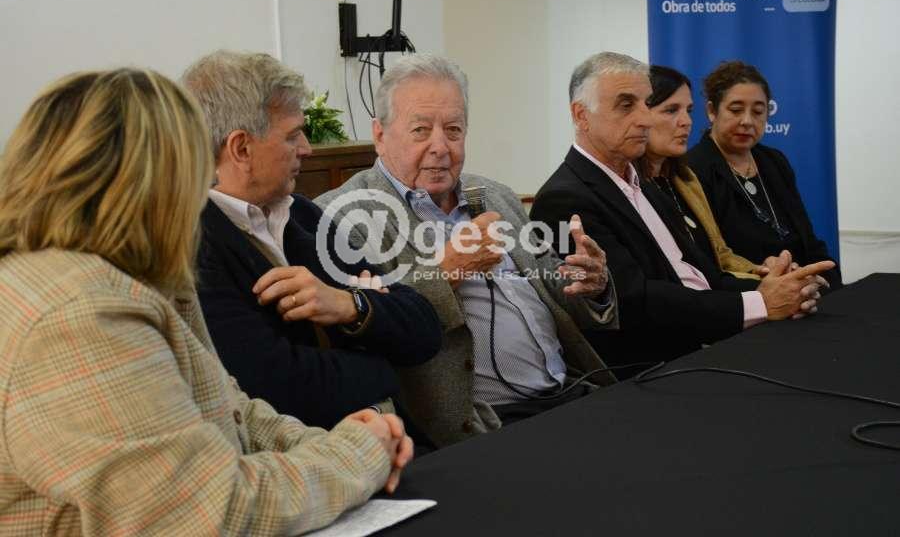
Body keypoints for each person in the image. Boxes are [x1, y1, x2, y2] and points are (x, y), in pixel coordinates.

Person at [0, 68, 413, 534]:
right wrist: (357, 454)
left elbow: (228, 406)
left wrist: (329, 442)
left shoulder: (127, 277)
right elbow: (210, 513)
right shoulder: (79, 314)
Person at [316, 54, 619, 447]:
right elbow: (370, 326)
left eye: (454, 130)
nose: (440, 147)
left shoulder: (495, 195)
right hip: (486, 426)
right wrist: (448, 270)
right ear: (380, 134)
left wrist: (590, 284)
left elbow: (555, 290)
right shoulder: (343, 216)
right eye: (420, 130)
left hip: (576, 389)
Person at [181, 50, 441, 433]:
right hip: (317, 457)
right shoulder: (192, 246)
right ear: (241, 148)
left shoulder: (302, 215)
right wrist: (383, 362)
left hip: (397, 440)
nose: (307, 148)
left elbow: (424, 328)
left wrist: (349, 306)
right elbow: (279, 388)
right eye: (292, 136)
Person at [531, 52, 834, 377]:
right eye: (626, 105)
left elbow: (705, 276)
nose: (645, 119)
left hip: (710, 342)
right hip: (657, 371)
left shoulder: (647, 186)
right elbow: (632, 302)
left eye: (646, 104)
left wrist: (780, 287)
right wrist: (760, 303)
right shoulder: (564, 198)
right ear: (581, 115)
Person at [687, 60, 842, 288]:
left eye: (758, 112)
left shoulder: (774, 161)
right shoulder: (692, 169)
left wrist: (819, 277)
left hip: (803, 287)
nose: (747, 121)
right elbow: (713, 263)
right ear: (712, 111)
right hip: (748, 293)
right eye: (736, 110)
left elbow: (809, 243)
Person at [636, 64, 761, 280]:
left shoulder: (685, 178)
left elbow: (721, 256)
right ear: (640, 116)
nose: (687, 121)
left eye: (689, 110)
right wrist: (761, 288)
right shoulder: (631, 188)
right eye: (671, 110)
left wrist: (762, 272)